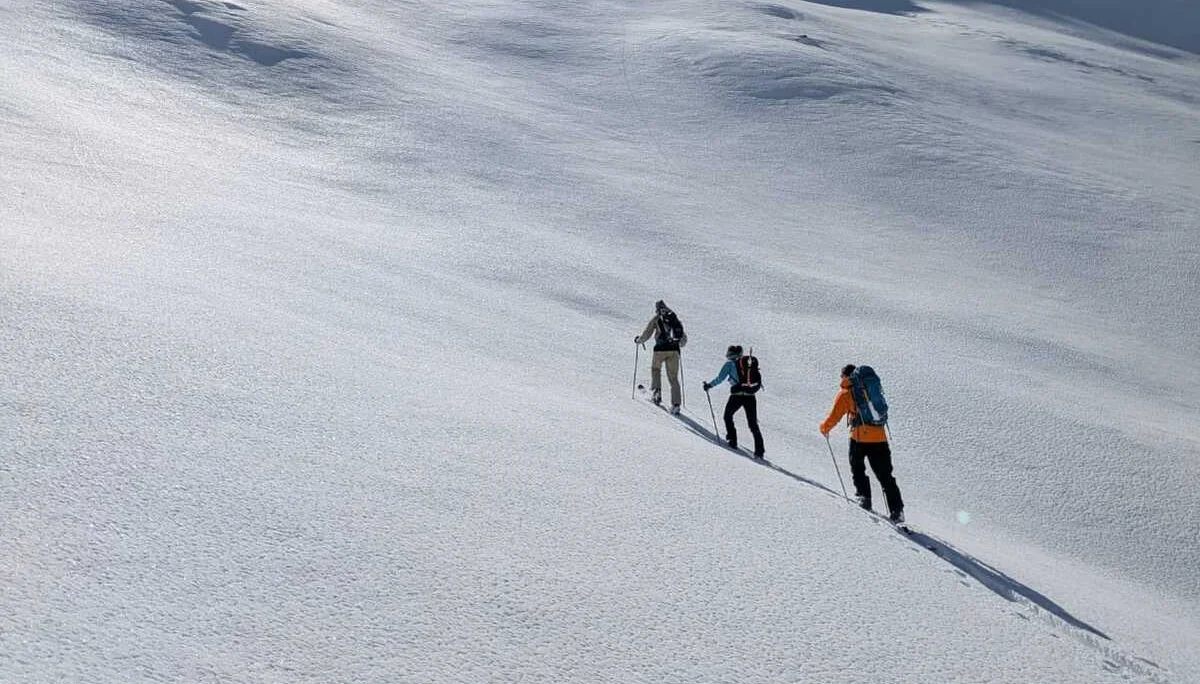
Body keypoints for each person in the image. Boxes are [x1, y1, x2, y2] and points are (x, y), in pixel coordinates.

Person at [820, 364, 905, 523]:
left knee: (857, 467)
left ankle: (864, 497)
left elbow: (835, 415)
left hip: (859, 438)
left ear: (846, 376)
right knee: (885, 475)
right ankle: (897, 510)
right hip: (880, 437)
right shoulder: (871, 389)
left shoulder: (846, 393)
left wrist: (824, 428)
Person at [702, 345, 764, 458]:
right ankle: (760, 450)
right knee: (753, 423)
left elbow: (720, 378)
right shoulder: (748, 364)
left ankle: (732, 439)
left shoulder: (729, 364)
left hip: (737, 395)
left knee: (727, 416)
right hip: (750, 396)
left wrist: (709, 385)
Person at [634, 300, 687, 414]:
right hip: (674, 351)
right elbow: (683, 338)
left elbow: (647, 332)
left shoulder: (657, 319)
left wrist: (639, 340)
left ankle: (657, 392)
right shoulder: (674, 318)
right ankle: (676, 404)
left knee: (656, 369)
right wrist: (678, 345)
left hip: (660, 350)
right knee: (673, 378)